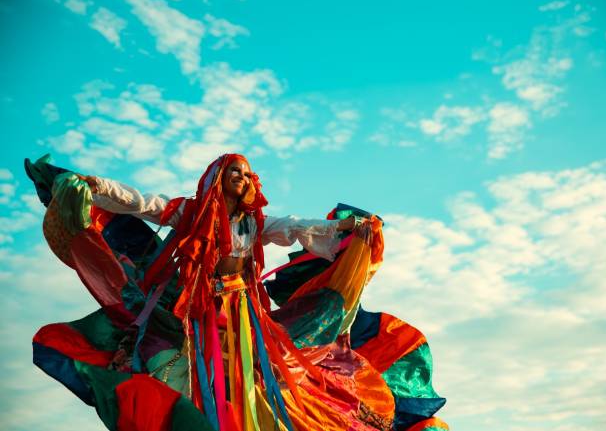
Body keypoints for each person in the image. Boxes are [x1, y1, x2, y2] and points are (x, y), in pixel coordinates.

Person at [26, 153, 448, 431]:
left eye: (247, 174)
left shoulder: (254, 224)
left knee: (277, 373)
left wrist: (344, 229)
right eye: (237, 173)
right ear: (218, 180)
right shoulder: (192, 213)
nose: (245, 179)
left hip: (245, 314)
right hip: (202, 311)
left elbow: (297, 227)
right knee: (185, 365)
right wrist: (95, 185)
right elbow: (142, 203)